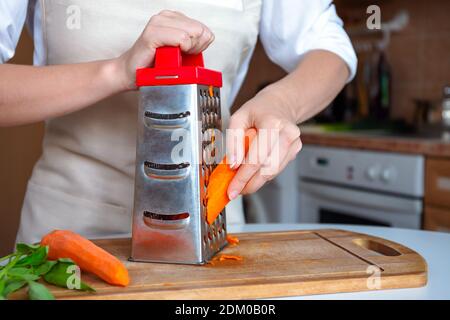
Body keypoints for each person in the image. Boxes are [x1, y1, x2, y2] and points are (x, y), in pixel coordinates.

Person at [0, 0, 357, 243]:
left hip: (208, 224)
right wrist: (117, 72)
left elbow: (329, 48)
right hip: (69, 231)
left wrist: (282, 102)